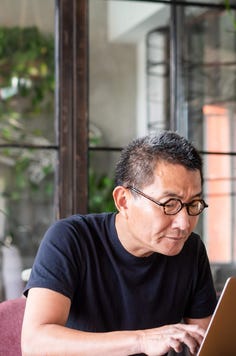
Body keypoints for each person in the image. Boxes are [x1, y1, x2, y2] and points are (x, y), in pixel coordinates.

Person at [21, 131, 217, 356]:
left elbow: (205, 345)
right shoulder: (71, 239)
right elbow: (35, 343)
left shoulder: (191, 250)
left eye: (193, 204)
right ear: (123, 201)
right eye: (169, 204)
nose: (184, 224)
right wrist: (141, 340)